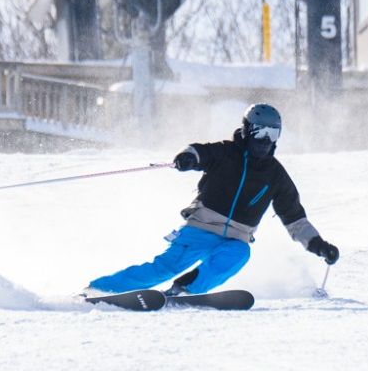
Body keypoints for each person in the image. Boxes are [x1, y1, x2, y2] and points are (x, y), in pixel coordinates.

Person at [86, 103, 339, 299]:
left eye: (274, 134)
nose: (267, 140)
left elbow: (295, 219)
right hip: (200, 229)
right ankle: (98, 290)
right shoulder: (226, 153)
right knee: (162, 269)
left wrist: (319, 245)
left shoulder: (276, 176)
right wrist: (188, 158)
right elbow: (199, 151)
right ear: (248, 130)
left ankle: (186, 289)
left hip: (235, 239)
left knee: (240, 253)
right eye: (262, 132)